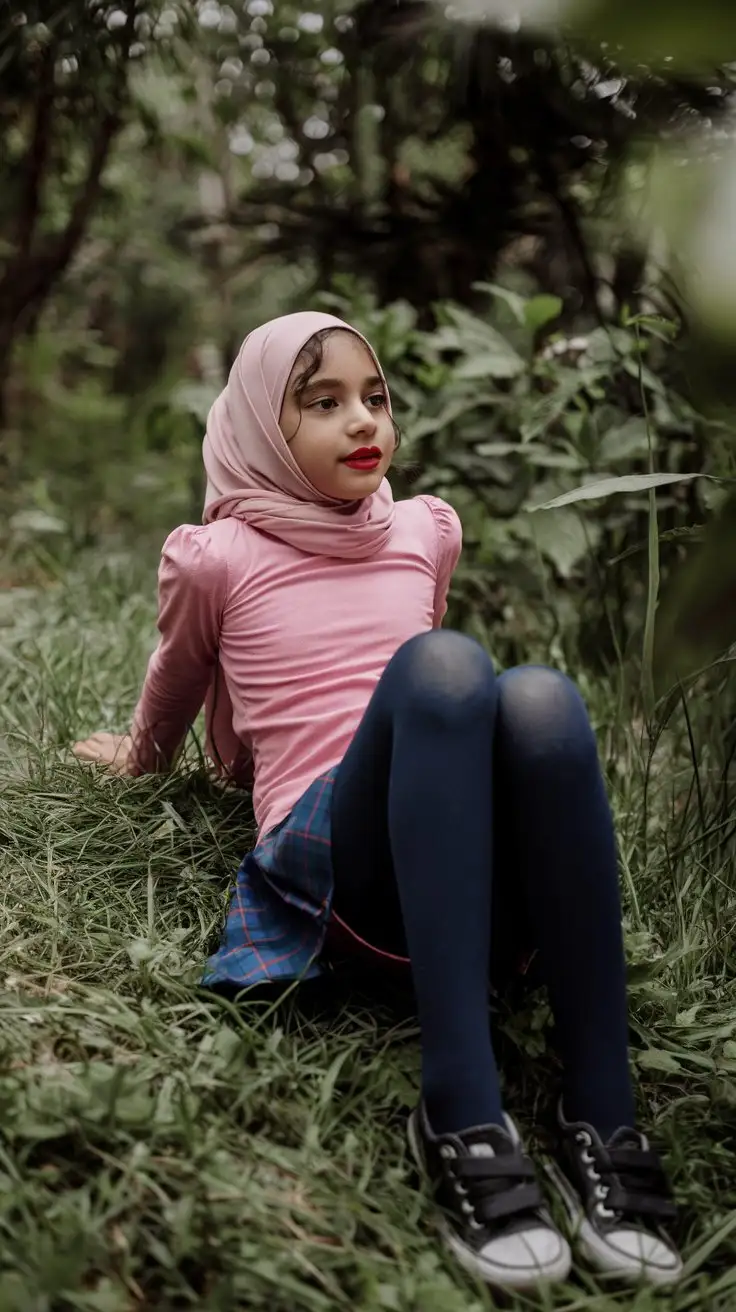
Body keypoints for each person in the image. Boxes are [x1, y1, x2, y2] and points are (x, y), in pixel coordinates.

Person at [74, 310, 682, 1293]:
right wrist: (138, 756)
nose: (362, 421)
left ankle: (602, 1114)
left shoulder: (423, 530)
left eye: (375, 397)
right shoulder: (218, 557)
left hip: (461, 869)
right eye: (322, 403)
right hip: (342, 860)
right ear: (262, 431)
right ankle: (459, 1102)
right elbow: (178, 679)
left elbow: (432, 716)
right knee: (442, 668)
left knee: (540, 697)